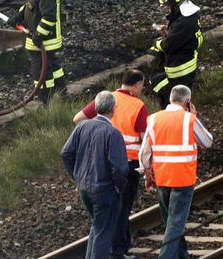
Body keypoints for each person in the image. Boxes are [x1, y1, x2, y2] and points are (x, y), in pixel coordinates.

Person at [74, 69, 149, 259]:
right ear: (138, 84)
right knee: (121, 209)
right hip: (127, 164)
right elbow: (145, 138)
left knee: (106, 216)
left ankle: (111, 249)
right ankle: (118, 250)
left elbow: (78, 119)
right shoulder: (138, 105)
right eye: (142, 85)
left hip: (101, 162)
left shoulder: (106, 98)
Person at [140, 85, 213, 259]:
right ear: (187, 101)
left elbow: (144, 153)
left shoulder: (153, 119)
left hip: (162, 178)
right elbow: (207, 141)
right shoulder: (189, 119)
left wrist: (148, 174)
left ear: (171, 99)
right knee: (176, 224)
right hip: (182, 179)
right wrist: (194, 116)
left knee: (172, 223)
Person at [61, 91, 129, 259]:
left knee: (98, 227)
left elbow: (66, 153)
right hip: (105, 191)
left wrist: (77, 177)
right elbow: (120, 168)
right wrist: (118, 187)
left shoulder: (82, 126)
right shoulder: (112, 133)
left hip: (85, 189)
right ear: (113, 109)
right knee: (103, 234)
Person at [7, 0, 65, 101]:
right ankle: (62, 93)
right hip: (43, 41)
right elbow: (31, 6)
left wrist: (39, 35)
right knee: (53, 68)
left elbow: (49, 17)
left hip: (44, 41)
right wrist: (19, 16)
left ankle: (45, 102)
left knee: (41, 72)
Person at [148, 0, 203, 107]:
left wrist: (157, 43)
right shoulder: (190, 15)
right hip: (187, 66)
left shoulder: (184, 22)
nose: (167, 9)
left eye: (168, 6)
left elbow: (168, 45)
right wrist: (169, 31)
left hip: (179, 71)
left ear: (175, 4)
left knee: (169, 97)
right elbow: (182, 36)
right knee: (183, 100)